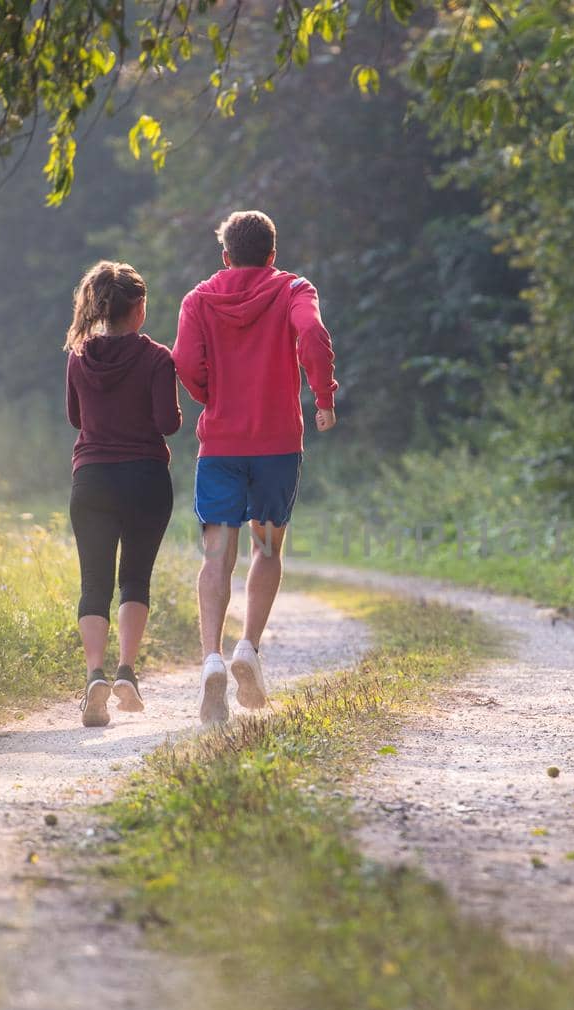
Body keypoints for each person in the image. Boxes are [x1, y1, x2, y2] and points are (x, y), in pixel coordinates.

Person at [172, 210, 337, 726]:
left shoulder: (199, 299)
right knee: (266, 549)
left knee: (217, 554)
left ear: (225, 256)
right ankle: (248, 648)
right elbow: (311, 332)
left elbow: (183, 361)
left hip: (221, 448)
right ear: (272, 254)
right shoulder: (292, 288)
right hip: (276, 448)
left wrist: (209, 395)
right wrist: (323, 395)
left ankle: (213, 658)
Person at [64, 260, 182, 727]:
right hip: (145, 479)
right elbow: (168, 424)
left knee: (93, 582)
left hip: (91, 479)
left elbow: (76, 419)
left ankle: (95, 675)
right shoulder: (157, 358)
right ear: (139, 309)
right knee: (135, 579)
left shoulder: (79, 357)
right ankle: (126, 673)